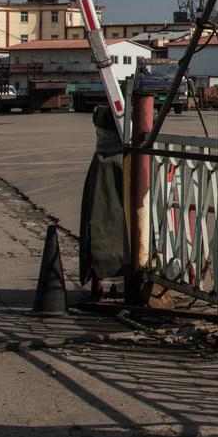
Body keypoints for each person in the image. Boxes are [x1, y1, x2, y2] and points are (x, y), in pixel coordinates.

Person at [77, 103, 128, 295]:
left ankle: (101, 280)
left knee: (100, 224)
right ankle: (117, 277)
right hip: (118, 167)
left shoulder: (101, 163)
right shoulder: (114, 162)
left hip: (106, 170)